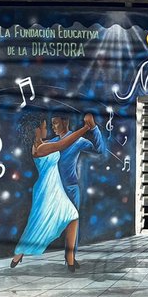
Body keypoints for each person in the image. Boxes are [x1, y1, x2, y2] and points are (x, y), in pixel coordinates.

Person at [9, 112, 98, 272]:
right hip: (47, 190)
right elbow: (63, 144)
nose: (46, 128)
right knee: (37, 223)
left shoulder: (43, 143)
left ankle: (70, 259)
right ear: (36, 130)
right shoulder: (40, 148)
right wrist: (85, 127)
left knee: (72, 216)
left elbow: (60, 142)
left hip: (55, 188)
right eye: (43, 126)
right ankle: (19, 254)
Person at [49, 112, 108, 237]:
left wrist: (94, 128)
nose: (52, 127)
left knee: (72, 222)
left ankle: (70, 256)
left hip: (70, 188)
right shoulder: (53, 142)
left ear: (65, 122)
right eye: (52, 124)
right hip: (54, 189)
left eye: (55, 123)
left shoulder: (79, 141)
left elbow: (100, 150)